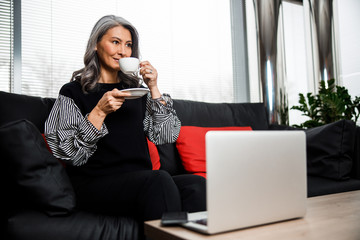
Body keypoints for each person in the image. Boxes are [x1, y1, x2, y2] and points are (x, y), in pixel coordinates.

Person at [44, 15, 206, 223]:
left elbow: (165, 135)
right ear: (95, 45)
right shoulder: (72, 92)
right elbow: (70, 154)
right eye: (115, 42)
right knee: (159, 181)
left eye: (128, 45)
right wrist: (99, 112)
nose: (123, 51)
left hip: (140, 180)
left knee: (197, 185)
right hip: (94, 183)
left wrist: (153, 87)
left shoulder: (136, 92)